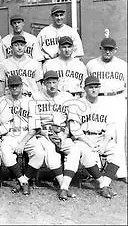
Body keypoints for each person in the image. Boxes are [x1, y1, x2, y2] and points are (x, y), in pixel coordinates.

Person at [69, 76, 124, 198]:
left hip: (101, 138)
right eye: (90, 87)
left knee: (118, 152)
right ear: (84, 89)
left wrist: (104, 144)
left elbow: (110, 127)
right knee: (87, 155)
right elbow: (75, 130)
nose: (93, 90)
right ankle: (103, 185)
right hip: (84, 138)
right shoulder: (77, 104)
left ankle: (105, 184)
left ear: (99, 88)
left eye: (96, 87)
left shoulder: (105, 105)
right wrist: (90, 143)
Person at [34, 71, 80, 200]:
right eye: (48, 83)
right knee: (50, 150)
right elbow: (34, 120)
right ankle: (63, 186)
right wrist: (45, 133)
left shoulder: (67, 97)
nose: (52, 86)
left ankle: (64, 187)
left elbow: (71, 119)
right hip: (44, 133)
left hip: (62, 133)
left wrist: (65, 135)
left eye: (54, 82)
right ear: (43, 84)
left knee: (74, 150)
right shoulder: (36, 96)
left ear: (58, 83)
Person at [86, 37, 127, 181]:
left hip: (117, 98)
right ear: (100, 49)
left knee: (119, 134)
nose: (108, 51)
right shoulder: (92, 64)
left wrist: (123, 98)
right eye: (105, 48)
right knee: (97, 131)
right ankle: (94, 170)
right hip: (100, 99)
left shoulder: (123, 65)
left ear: (115, 50)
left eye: (111, 49)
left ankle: (121, 171)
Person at [0, 75, 45, 196]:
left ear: (22, 86)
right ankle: (23, 182)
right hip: (10, 134)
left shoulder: (30, 102)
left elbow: (35, 128)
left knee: (39, 154)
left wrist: (23, 143)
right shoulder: (2, 101)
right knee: (4, 152)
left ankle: (23, 180)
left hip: (27, 134)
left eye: (17, 85)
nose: (14, 88)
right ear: (8, 87)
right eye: (12, 86)